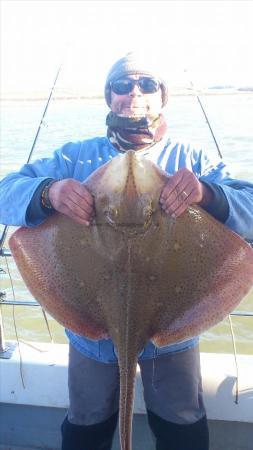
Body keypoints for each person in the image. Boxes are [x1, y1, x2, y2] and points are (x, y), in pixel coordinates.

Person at [1, 52, 253, 450]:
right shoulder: (74, 158)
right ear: (109, 97)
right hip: (90, 329)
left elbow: (251, 206)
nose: (134, 93)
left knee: (180, 420)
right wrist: (49, 192)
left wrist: (208, 194)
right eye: (122, 85)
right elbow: (4, 192)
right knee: (86, 421)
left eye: (148, 84)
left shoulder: (191, 160)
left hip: (174, 329)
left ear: (162, 97)